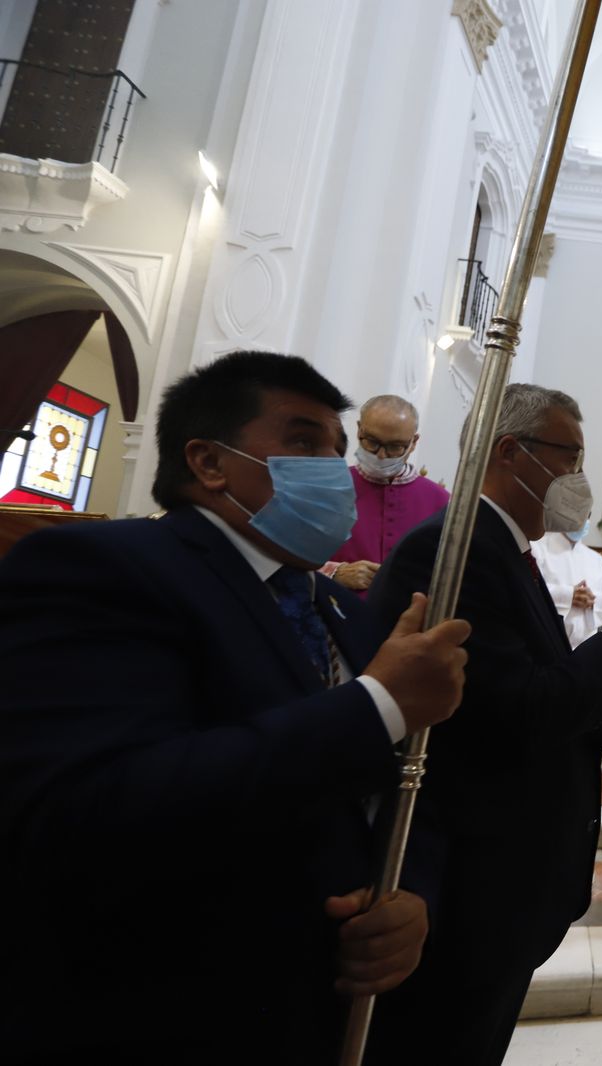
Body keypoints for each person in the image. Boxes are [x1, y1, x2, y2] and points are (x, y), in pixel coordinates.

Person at [0, 351, 470, 1064]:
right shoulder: (100, 569)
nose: (334, 472)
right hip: (165, 1010)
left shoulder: (343, 609)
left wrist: (410, 896)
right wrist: (377, 706)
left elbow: (405, 786)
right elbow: (92, 807)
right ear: (209, 461)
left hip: (317, 1008)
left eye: (337, 451)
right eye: (305, 443)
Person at [365, 384, 602, 1066]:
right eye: (571, 457)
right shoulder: (455, 550)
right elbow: (522, 710)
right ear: (512, 452)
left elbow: (546, 689)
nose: (578, 480)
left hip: (504, 882)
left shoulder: (503, 551)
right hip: (472, 884)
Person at [323, 393, 449, 594]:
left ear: (413, 442)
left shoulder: (441, 502)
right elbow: (283, 562)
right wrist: (335, 572)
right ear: (359, 430)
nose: (381, 455)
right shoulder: (325, 487)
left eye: (395, 447)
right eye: (371, 441)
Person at [532, 520, 602, 647]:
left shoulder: (597, 561)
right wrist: (567, 595)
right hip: (546, 643)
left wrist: (592, 601)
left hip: (585, 646)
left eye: (588, 515)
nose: (583, 519)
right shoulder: (537, 549)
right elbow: (529, 589)